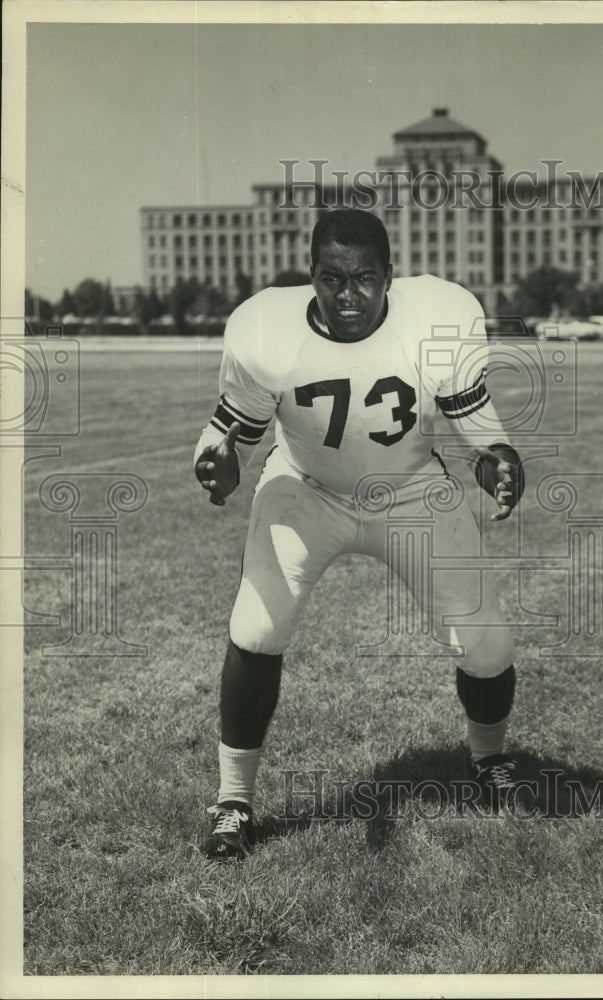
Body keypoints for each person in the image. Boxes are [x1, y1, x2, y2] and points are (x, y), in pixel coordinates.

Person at [194, 208, 524, 860]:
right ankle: (234, 800)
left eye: (364, 278)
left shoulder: (437, 316)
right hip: (305, 488)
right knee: (257, 628)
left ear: (389, 278)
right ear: (310, 276)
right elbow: (230, 438)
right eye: (331, 278)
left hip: (409, 490)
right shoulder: (266, 327)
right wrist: (217, 462)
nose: (347, 295)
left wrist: (500, 463)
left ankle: (487, 760)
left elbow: (481, 434)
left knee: (487, 644)